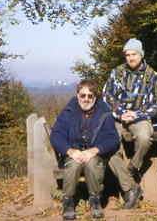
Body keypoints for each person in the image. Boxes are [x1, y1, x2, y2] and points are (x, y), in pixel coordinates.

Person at [102, 38, 157, 208]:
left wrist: (136, 115)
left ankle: (132, 168)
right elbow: (107, 96)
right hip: (118, 118)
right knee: (109, 145)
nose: (130, 58)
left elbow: (155, 103)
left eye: (134, 54)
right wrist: (121, 113)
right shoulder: (117, 73)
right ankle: (130, 187)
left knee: (144, 136)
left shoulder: (152, 76)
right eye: (127, 55)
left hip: (140, 117)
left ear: (141, 55)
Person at [50, 80, 119, 220]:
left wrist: (95, 150)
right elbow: (56, 135)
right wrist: (69, 151)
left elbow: (112, 138)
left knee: (92, 163)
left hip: (94, 154)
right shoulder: (68, 112)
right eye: (83, 95)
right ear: (77, 95)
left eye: (90, 96)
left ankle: (95, 200)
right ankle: (68, 201)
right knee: (73, 165)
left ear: (95, 97)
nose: (86, 99)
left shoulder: (104, 113)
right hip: (73, 153)